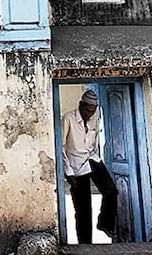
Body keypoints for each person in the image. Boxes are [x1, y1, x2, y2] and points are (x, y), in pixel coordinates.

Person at [62, 89, 118, 243]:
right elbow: (61, 146)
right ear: (81, 105)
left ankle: (105, 224)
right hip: (76, 165)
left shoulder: (94, 117)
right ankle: (85, 245)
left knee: (111, 190)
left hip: (92, 159)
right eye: (87, 110)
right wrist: (68, 172)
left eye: (92, 111)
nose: (89, 114)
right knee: (83, 210)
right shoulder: (68, 118)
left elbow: (95, 140)